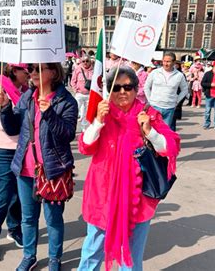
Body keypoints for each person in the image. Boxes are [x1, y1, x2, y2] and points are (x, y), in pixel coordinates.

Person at [77, 66, 180, 271]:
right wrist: (98, 122)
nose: (122, 92)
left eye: (128, 86)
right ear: (109, 91)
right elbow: (85, 146)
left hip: (137, 198)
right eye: (116, 87)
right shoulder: (103, 112)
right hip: (102, 195)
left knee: (131, 258)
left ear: (136, 88)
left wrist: (150, 132)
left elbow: (170, 147)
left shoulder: (148, 114)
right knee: (92, 250)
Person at [0, 63, 78, 271]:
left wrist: (49, 112)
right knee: (28, 218)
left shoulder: (66, 101)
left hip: (52, 169)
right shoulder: (27, 96)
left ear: (53, 72)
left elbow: (67, 134)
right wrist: (6, 108)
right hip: (25, 168)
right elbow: (13, 128)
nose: (32, 73)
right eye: (31, 69)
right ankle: (29, 255)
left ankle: (54, 259)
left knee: (53, 219)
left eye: (38, 69)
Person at [0, 63, 30, 262]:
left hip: (23, 149)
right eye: (25, 71)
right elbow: (6, 126)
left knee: (18, 194)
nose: (29, 74)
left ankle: (14, 229)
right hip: (2, 150)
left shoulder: (25, 91)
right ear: (13, 71)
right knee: (2, 195)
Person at [144, 52, 188, 131]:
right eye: (164, 61)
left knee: (164, 132)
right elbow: (146, 87)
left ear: (174, 62)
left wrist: (176, 101)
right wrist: (150, 101)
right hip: (155, 106)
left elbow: (185, 90)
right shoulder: (155, 73)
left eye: (168, 61)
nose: (165, 64)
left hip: (169, 108)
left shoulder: (179, 75)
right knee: (152, 131)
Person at [71, 55, 93, 132]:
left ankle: (84, 128)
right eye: (83, 61)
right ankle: (72, 127)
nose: (85, 63)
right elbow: (73, 80)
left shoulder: (94, 70)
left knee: (86, 113)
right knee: (74, 111)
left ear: (90, 61)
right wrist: (75, 90)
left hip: (89, 94)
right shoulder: (78, 69)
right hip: (79, 94)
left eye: (87, 61)